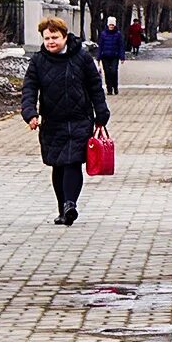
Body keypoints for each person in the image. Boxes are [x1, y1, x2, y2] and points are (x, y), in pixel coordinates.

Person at [20, 16, 108, 226]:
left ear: (65, 36)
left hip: (80, 120)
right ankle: (63, 210)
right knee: (58, 165)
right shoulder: (38, 61)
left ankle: (70, 203)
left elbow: (95, 86)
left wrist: (101, 113)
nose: (51, 42)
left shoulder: (82, 57)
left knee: (72, 162)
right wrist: (30, 113)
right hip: (52, 122)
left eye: (55, 37)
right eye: (47, 38)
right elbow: (29, 88)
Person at [95, 16, 125, 96]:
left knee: (114, 72)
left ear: (114, 25)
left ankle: (115, 87)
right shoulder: (103, 34)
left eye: (112, 25)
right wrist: (98, 57)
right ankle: (109, 89)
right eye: (110, 25)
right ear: (108, 25)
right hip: (105, 56)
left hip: (115, 56)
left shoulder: (118, 34)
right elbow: (100, 46)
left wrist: (122, 57)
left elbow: (121, 46)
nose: (111, 26)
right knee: (107, 73)